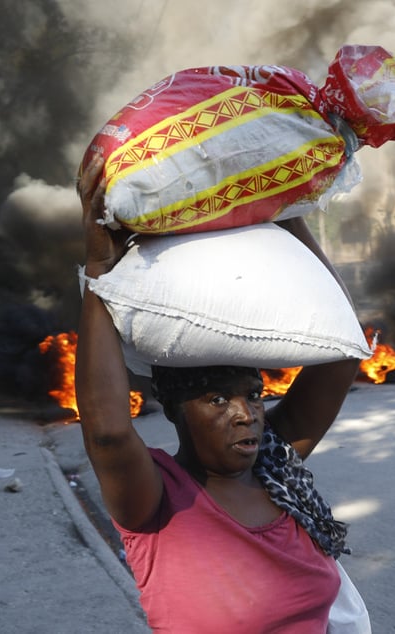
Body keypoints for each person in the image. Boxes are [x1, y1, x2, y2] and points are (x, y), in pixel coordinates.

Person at [74, 155, 362, 632]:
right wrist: (101, 268)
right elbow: (107, 435)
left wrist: (287, 212)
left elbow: (342, 346)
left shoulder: (275, 466)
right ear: (173, 409)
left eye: (252, 394)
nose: (246, 413)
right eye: (216, 400)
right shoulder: (157, 499)